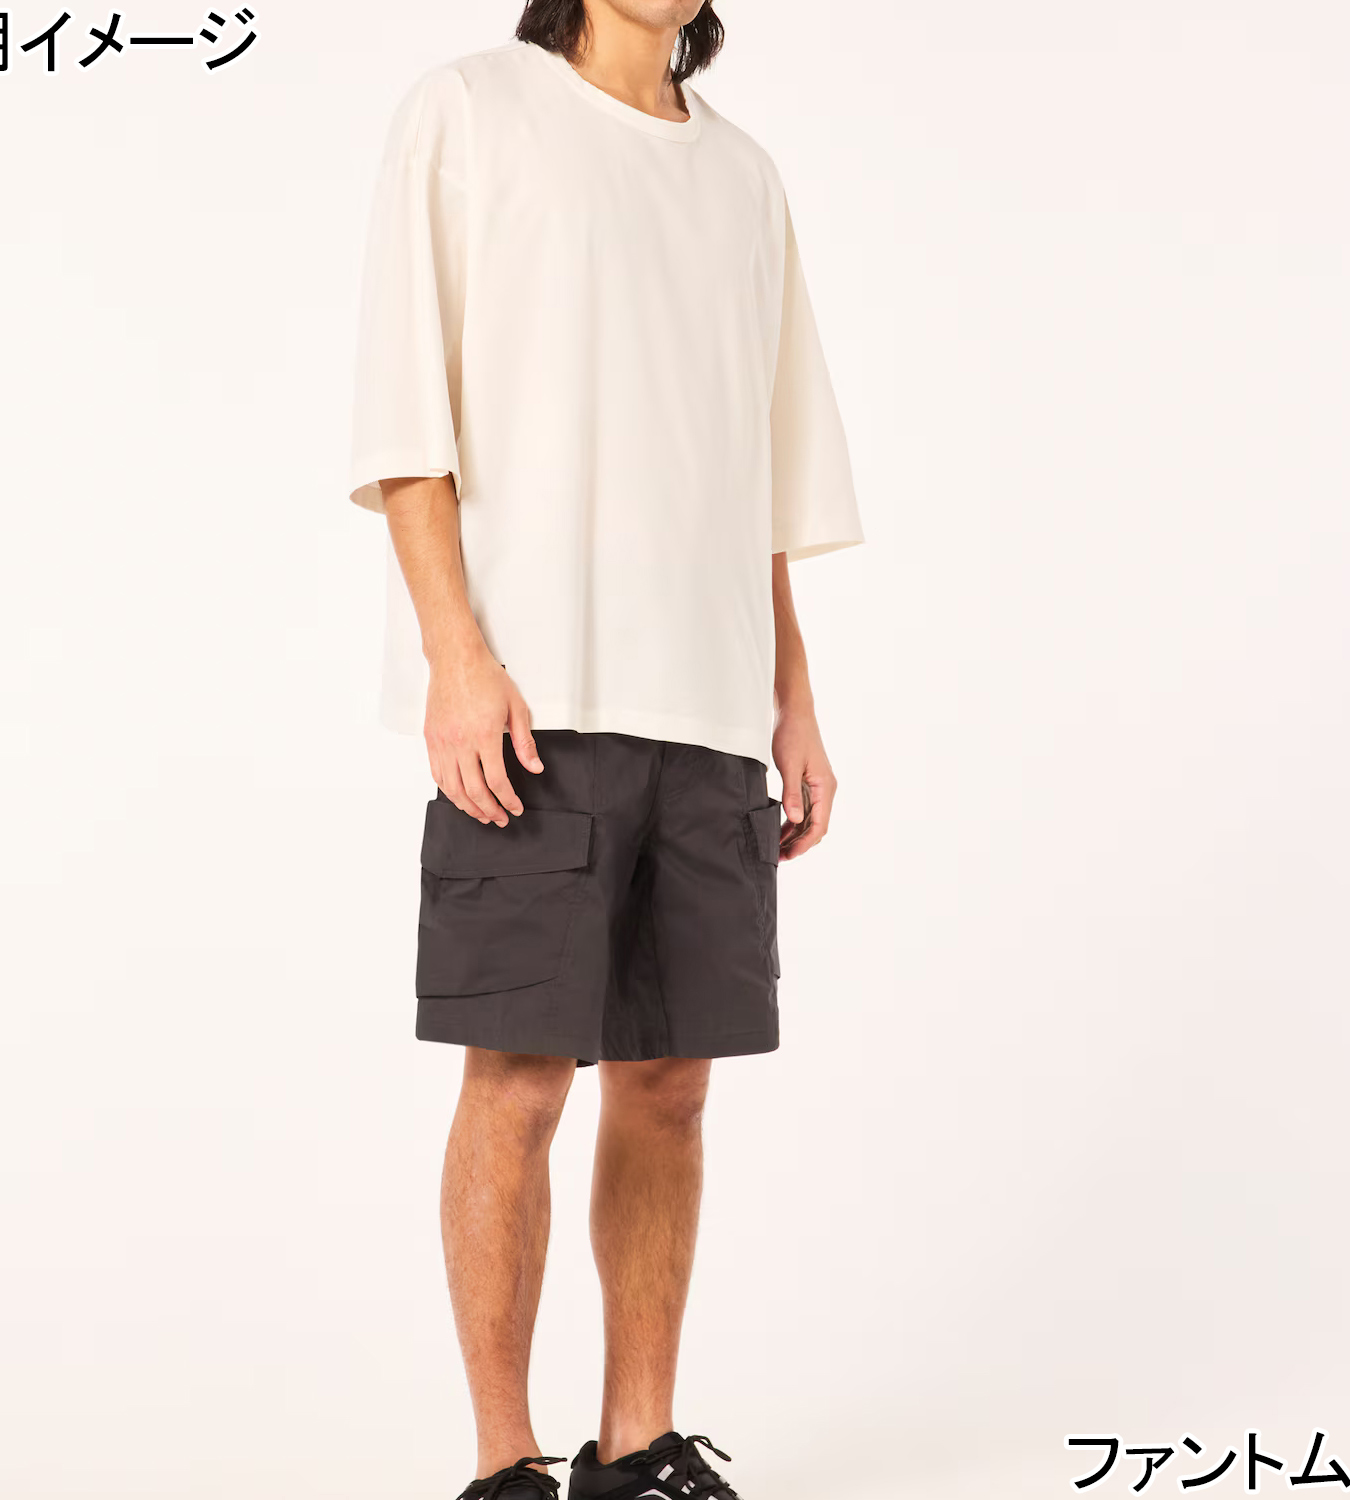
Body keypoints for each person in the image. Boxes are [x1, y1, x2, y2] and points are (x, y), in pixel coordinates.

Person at [347, 2, 862, 1496]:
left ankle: (636, 1447)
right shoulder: (470, 110)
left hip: (708, 705)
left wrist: (793, 692)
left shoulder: (743, 177)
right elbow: (406, 422)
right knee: (518, 1079)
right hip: (532, 695)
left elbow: (758, 470)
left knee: (671, 1085)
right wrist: (455, 656)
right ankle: (504, 1463)